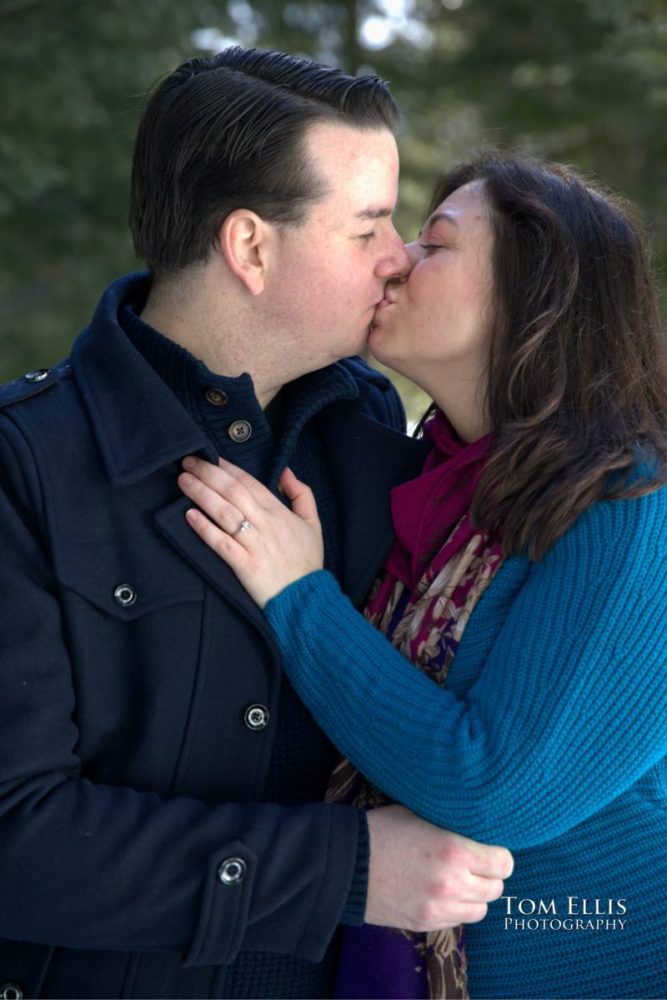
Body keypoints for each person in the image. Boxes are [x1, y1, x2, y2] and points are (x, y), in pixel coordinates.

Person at [0, 49, 513, 1000]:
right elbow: (15, 838)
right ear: (250, 248)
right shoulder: (24, 466)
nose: (397, 255)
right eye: (366, 227)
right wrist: (346, 869)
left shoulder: (377, 435)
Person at [178, 151, 667, 999]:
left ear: (533, 294)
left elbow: (496, 787)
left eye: (433, 244)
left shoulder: (635, 508)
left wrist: (299, 597)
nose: (397, 259)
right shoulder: (434, 488)